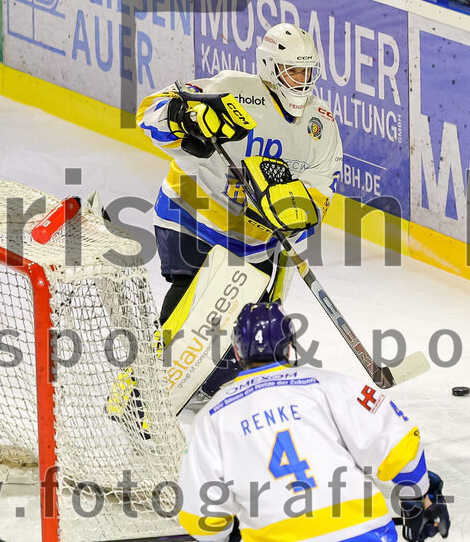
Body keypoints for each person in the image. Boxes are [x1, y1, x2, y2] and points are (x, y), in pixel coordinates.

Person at [178, 302, 450, 542]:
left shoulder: (212, 416)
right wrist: (417, 498)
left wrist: (217, 540)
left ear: (236, 352)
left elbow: (199, 511)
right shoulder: (329, 385)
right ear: (289, 346)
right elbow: (400, 448)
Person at [135, 22, 344, 396]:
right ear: (269, 66)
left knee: (240, 352)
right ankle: (145, 386)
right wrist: (185, 119)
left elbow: (321, 184)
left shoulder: (321, 124)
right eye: (292, 71)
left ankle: (214, 380)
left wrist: (297, 211)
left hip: (254, 243)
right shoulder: (232, 89)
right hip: (192, 215)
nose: (301, 80)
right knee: (192, 302)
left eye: (307, 72)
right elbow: (150, 111)